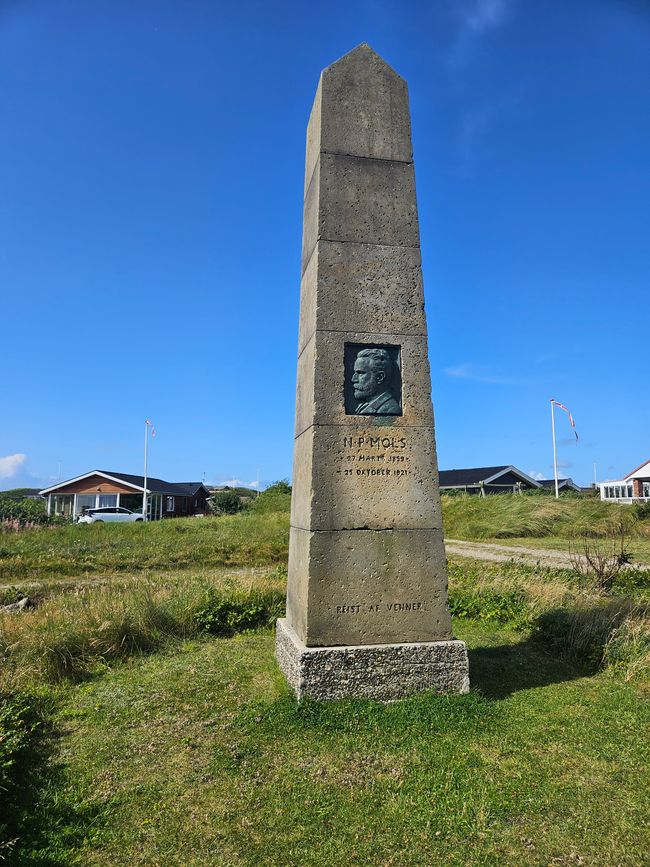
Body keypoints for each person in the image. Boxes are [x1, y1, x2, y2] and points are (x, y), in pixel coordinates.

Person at [351, 347, 401, 415]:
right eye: (355, 373)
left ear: (379, 377)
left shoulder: (390, 409)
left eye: (360, 373)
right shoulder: (365, 405)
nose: (353, 379)